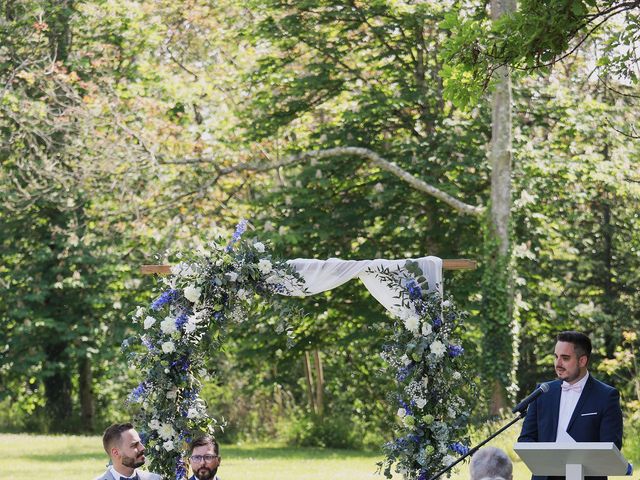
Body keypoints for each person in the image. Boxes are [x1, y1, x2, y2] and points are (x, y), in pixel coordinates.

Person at [518, 330, 623, 480]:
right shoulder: (542, 392)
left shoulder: (606, 396)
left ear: (582, 361)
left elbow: (611, 446)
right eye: (556, 357)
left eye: (565, 358)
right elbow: (526, 439)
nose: (558, 364)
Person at [96, 422, 162, 480]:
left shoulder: (155, 478)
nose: (142, 448)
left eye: (140, 442)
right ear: (115, 453)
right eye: (134, 445)